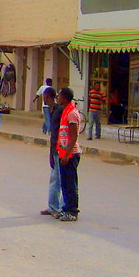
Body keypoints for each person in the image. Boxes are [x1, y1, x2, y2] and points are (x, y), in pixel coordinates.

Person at [56, 87, 82, 222]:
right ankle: (66, 208)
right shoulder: (65, 111)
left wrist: (67, 154)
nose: (57, 98)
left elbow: (74, 135)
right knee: (65, 183)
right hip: (64, 153)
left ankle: (72, 211)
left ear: (65, 98)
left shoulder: (72, 113)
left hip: (70, 154)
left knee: (71, 184)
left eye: (59, 96)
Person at [39, 87, 63, 218]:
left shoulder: (59, 110)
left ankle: (59, 207)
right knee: (54, 178)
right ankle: (52, 206)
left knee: (59, 178)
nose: (43, 99)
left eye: (44, 96)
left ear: (48, 97)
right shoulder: (51, 111)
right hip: (54, 149)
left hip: (60, 149)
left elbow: (61, 133)